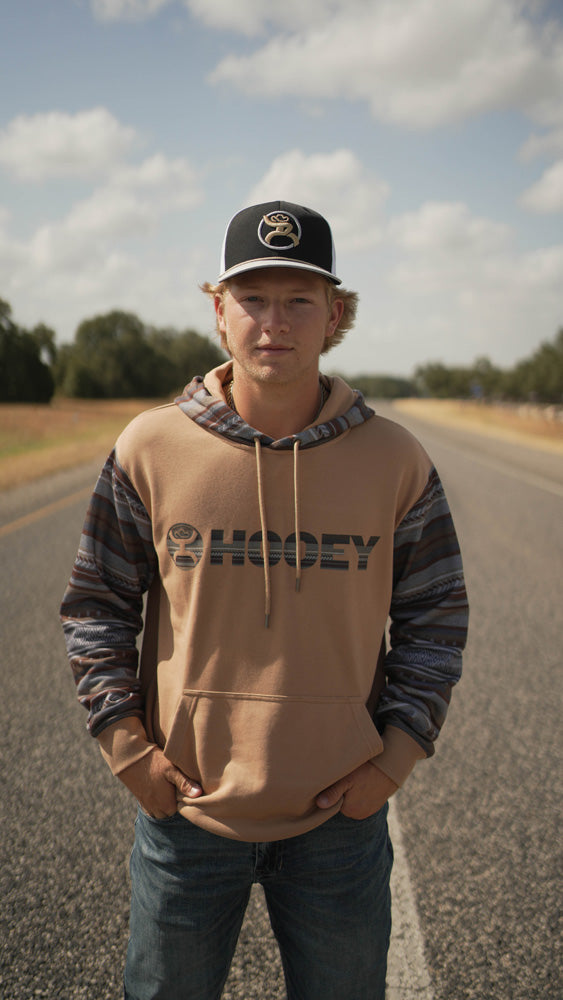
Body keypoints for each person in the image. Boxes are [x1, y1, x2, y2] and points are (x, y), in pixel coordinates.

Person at [60, 200, 468, 1000]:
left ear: (335, 315)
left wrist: (393, 761)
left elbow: (434, 618)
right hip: (186, 814)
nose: (272, 321)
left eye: (298, 299)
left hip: (337, 824)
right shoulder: (151, 446)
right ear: (218, 312)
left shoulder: (394, 457)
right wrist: (130, 754)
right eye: (251, 298)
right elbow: (96, 606)